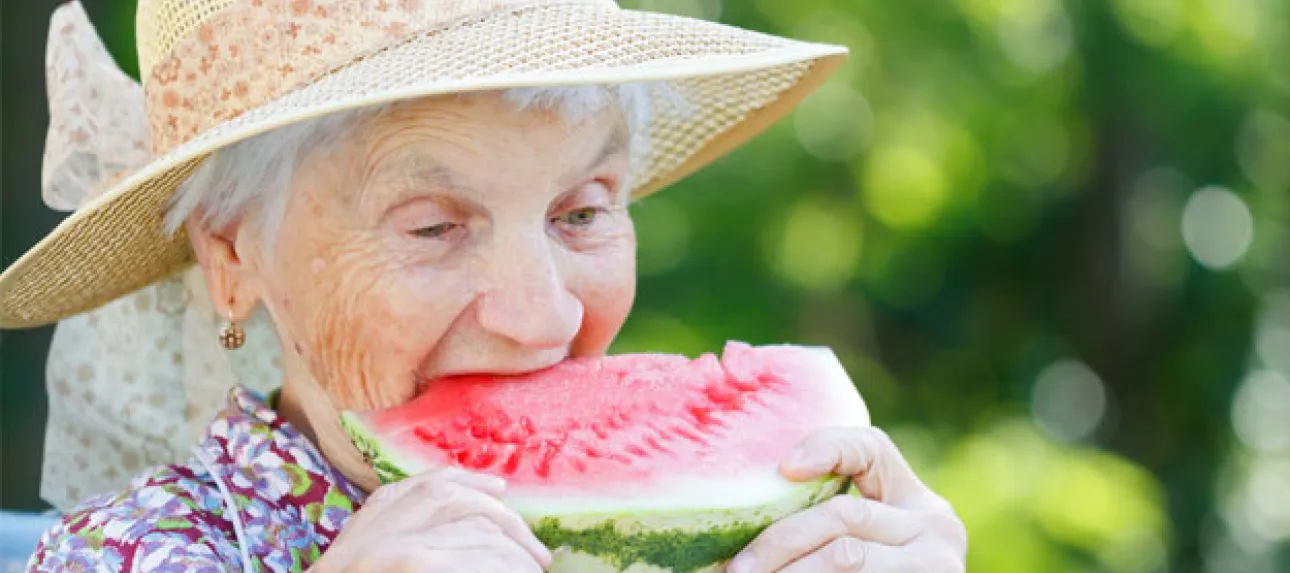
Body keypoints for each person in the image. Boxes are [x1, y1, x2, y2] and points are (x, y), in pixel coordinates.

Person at [5, 0, 967, 571]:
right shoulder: (124, 556)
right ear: (230, 257)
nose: (543, 314)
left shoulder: (741, 533)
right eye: (434, 226)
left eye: (581, 212)